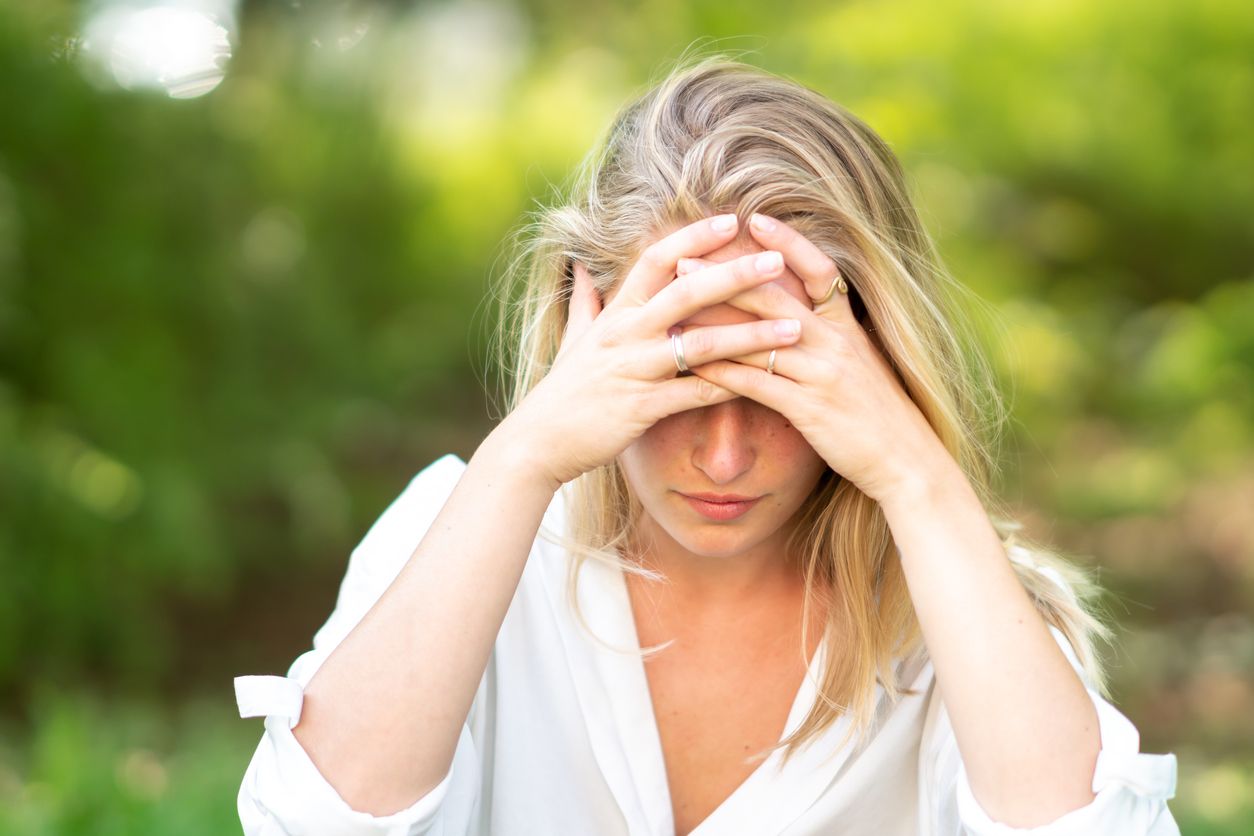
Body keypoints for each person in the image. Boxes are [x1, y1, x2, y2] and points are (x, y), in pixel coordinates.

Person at [233, 54, 1180, 835]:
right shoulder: (463, 526)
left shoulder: (956, 606)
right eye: (679, 380)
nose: (724, 458)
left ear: (874, 355)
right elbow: (303, 823)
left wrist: (918, 479)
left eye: (781, 385)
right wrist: (522, 456)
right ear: (584, 322)